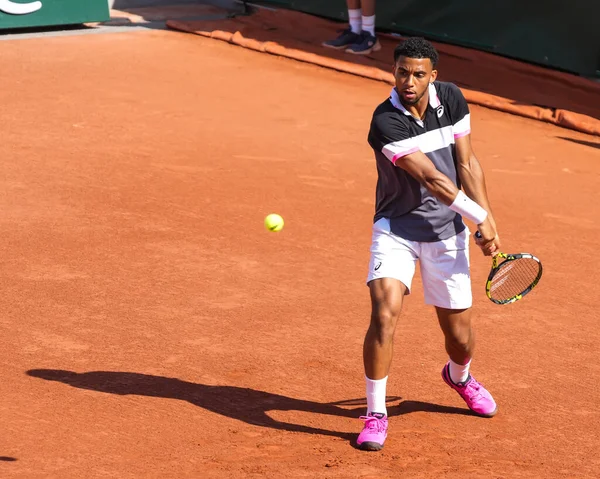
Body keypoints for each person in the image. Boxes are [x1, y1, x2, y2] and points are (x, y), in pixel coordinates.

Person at [357, 36, 501, 452]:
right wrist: (477, 216)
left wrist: (487, 217)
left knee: (460, 337)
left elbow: (466, 163)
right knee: (384, 313)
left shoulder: (452, 99)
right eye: (402, 72)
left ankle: (459, 377)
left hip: (447, 236)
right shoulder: (385, 120)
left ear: (432, 76)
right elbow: (433, 180)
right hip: (396, 230)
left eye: (418, 74)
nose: (409, 81)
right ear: (394, 71)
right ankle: (375, 413)